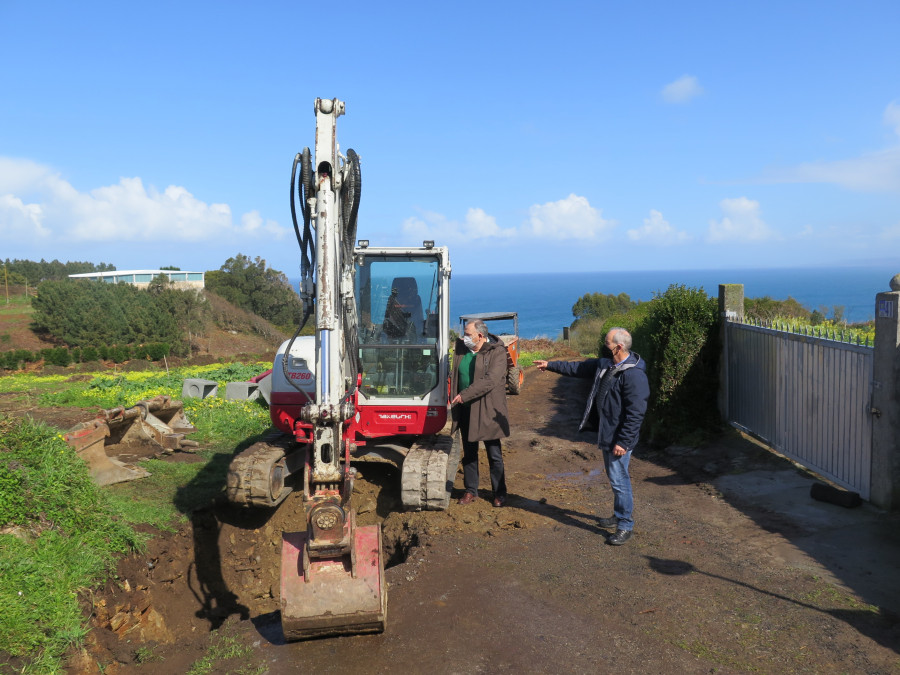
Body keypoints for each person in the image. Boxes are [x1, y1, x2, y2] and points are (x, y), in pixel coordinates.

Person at [534, 327, 649, 545]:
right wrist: (550, 365)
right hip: (608, 433)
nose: (604, 345)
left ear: (619, 346)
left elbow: (636, 413)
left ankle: (625, 525)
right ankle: (618, 515)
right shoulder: (607, 364)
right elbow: (578, 368)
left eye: (607, 343)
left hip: (619, 437)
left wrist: (623, 441)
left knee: (619, 480)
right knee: (615, 477)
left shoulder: (634, 375)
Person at [450, 319, 510, 507]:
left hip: (487, 411)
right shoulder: (461, 349)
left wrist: (464, 395)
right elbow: (453, 373)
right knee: (469, 452)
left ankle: (499, 493)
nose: (464, 337)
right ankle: (470, 490)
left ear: (480, 336)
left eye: (468, 334)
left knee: (494, 453)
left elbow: (490, 380)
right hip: (466, 410)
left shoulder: (497, 352)